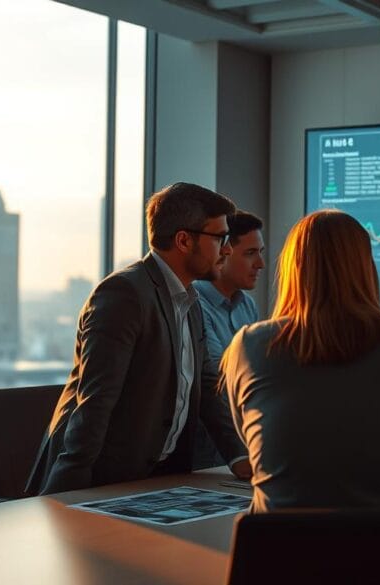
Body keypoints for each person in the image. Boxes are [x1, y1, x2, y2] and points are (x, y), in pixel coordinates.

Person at [219, 210, 380, 513]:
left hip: (279, 552)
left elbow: (254, 446)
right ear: (365, 266)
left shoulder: (249, 345)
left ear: (293, 268)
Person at [26, 182, 251, 496]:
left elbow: (206, 384)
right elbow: (96, 402)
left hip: (159, 482)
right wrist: (65, 499)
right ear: (184, 240)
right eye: (220, 238)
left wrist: (240, 457)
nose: (227, 249)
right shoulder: (124, 294)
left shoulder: (190, 299)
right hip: (104, 484)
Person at [191, 211, 266, 468]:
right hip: (204, 456)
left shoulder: (248, 306)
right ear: (223, 253)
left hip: (243, 447)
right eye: (250, 253)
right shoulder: (194, 304)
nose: (260, 264)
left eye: (260, 252)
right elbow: (218, 379)